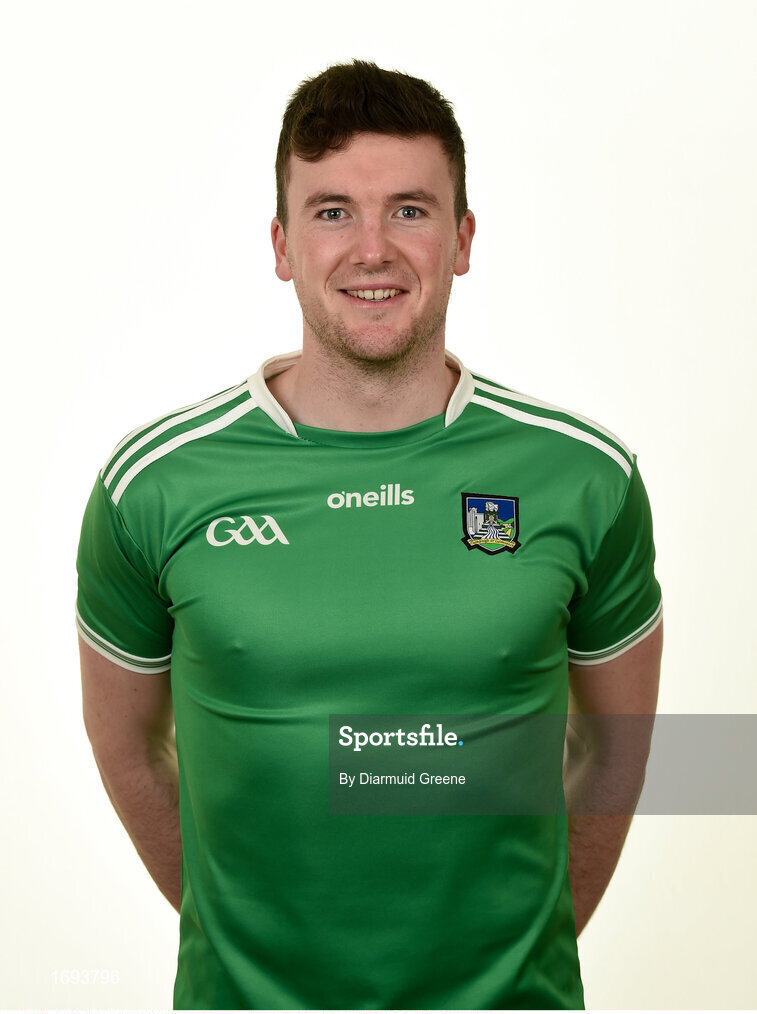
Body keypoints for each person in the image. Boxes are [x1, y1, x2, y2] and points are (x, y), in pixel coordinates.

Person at [76, 60, 663, 1010]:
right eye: (333, 211)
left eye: (411, 210)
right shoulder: (152, 485)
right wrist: (241, 940)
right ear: (281, 244)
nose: (373, 249)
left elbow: (623, 744)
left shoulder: (584, 476)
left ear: (463, 238)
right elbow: (126, 742)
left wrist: (520, 953)